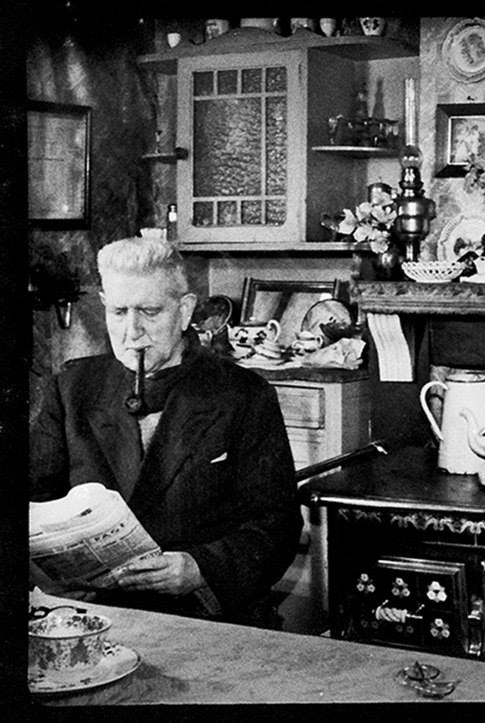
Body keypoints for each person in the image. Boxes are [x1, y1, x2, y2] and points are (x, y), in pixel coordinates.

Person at [30, 237, 303, 628]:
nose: (132, 331)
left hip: (205, 619)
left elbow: (278, 528)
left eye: (150, 312)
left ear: (185, 310)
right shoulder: (71, 388)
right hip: (96, 614)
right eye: (119, 311)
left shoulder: (243, 395)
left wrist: (199, 568)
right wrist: (49, 578)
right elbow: (33, 502)